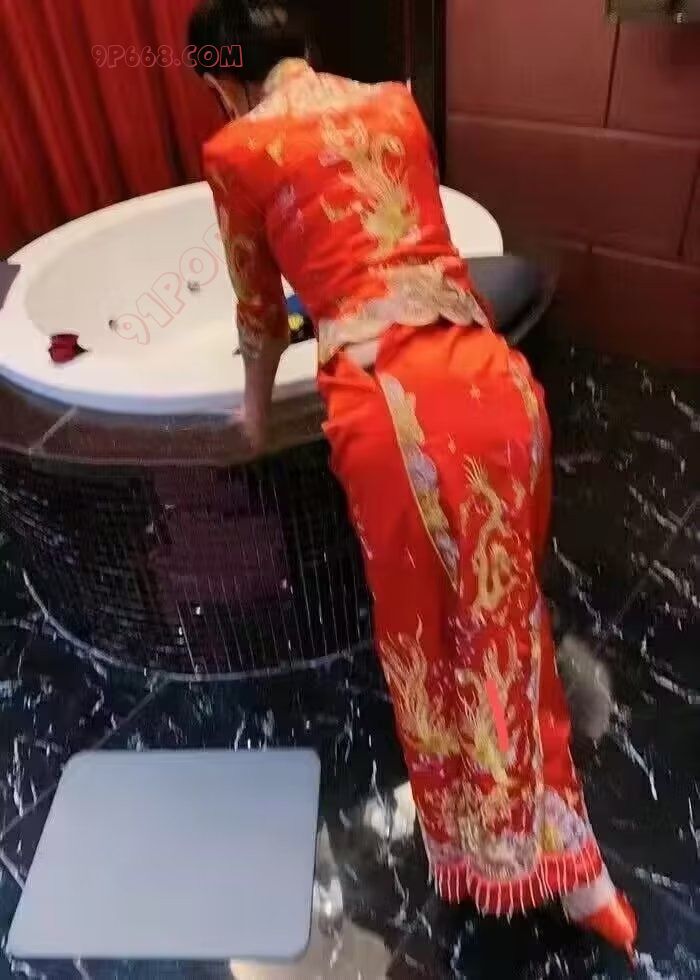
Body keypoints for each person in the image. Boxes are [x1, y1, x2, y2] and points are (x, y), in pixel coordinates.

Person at [188, 0, 637, 959]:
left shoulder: (235, 152)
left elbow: (261, 316)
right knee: (511, 629)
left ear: (222, 78)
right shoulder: (394, 104)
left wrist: (255, 418)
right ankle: (575, 868)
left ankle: (480, 856)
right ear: (304, 48)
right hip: (497, 389)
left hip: (400, 423)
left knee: (430, 652)